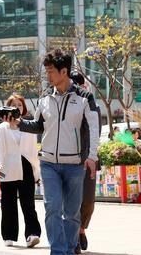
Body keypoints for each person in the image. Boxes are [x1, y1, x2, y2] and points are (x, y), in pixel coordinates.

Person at [8, 49, 99, 255]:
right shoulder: (45, 97)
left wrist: (92, 156)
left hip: (75, 165)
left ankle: (67, 249)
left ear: (64, 71)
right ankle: (58, 251)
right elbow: (38, 126)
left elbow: (94, 128)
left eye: (50, 71)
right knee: (52, 209)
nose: (47, 76)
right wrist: (18, 123)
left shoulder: (85, 97)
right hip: (48, 163)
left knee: (72, 214)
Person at [0, 94, 41, 248]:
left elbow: (32, 150)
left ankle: (33, 234)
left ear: (23, 108)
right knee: (8, 203)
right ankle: (9, 235)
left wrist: (35, 170)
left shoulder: (28, 126)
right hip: (7, 168)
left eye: (19, 105)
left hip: (26, 167)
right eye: (13, 105)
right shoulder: (1, 129)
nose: (17, 107)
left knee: (28, 204)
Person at [69, 72, 102, 254]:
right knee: (72, 200)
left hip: (89, 158)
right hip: (70, 159)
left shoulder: (93, 105)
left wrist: (93, 156)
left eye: (80, 84)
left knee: (88, 200)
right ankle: (74, 236)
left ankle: (82, 228)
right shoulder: (66, 105)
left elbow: (95, 132)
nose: (78, 88)